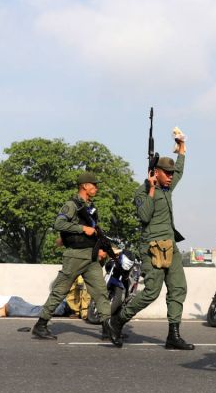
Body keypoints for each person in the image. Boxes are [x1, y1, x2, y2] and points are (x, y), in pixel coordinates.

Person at [108, 134, 192, 350]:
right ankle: (117, 320)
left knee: (178, 288)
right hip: (152, 248)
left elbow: (180, 171)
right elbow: (145, 216)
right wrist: (152, 188)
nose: (172, 177)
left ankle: (173, 335)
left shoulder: (168, 188)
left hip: (170, 246)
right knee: (151, 292)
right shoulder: (143, 192)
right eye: (167, 173)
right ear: (156, 173)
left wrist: (182, 147)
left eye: (172, 173)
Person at [30, 171, 112, 340]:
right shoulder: (72, 205)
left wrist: (100, 247)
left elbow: (92, 230)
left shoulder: (90, 207)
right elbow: (59, 223)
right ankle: (41, 324)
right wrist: (82, 229)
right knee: (60, 290)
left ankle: (107, 327)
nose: (96, 188)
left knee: (100, 291)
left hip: (91, 256)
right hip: (75, 255)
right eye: (94, 185)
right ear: (84, 186)